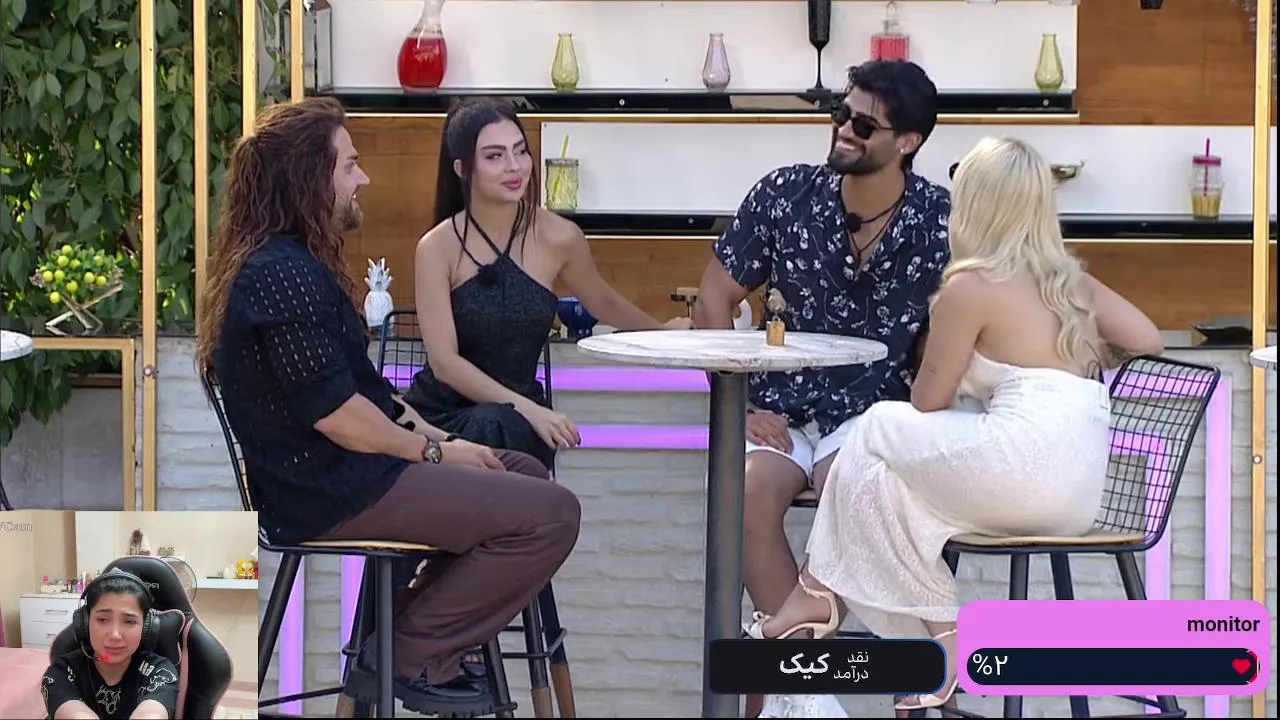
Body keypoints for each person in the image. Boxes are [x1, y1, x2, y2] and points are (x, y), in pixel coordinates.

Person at [743, 137, 1165, 715]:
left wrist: (951, 362)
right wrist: (1079, 353)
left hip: (1021, 469)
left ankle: (824, 597)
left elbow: (926, 402)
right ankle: (921, 639)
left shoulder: (969, 287)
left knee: (874, 427)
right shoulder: (1071, 283)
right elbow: (1148, 339)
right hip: (1078, 494)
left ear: (975, 207)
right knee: (883, 485)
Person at [197, 96, 581, 708]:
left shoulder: (301, 263)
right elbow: (340, 418)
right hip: (329, 492)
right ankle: (406, 656)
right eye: (350, 165)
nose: (364, 178)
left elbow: (374, 397)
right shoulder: (279, 275)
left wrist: (447, 442)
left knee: (525, 472)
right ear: (309, 177)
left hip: (360, 471)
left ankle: (401, 642)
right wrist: (434, 452)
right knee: (552, 513)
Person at [691, 59, 950, 716]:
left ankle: (799, 687)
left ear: (908, 142)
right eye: (842, 114)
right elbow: (713, 298)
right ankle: (805, 692)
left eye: (864, 124)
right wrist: (738, 402)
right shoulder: (786, 195)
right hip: (776, 406)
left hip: (871, 413)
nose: (844, 130)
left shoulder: (940, 220)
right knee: (744, 490)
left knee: (857, 487)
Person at [402, 98, 689, 473]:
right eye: (495, 156)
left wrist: (663, 332)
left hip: (517, 419)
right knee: (494, 425)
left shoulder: (559, 237)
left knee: (504, 427)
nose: (514, 166)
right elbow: (445, 364)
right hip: (446, 419)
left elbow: (604, 302)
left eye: (520, 151)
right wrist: (530, 411)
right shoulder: (437, 248)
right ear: (462, 169)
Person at [42, 569, 180, 720]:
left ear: (147, 627)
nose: (115, 635)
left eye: (129, 621)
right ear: (85, 622)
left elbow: (153, 713)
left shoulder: (160, 672)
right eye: (102, 619)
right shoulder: (61, 672)